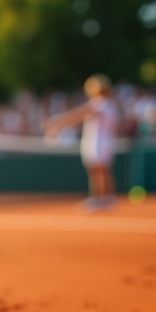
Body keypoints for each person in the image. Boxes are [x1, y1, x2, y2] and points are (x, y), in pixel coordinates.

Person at [45, 74, 119, 212]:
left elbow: (80, 114)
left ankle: (102, 199)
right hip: (100, 141)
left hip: (99, 142)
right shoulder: (109, 104)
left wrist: (57, 123)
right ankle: (102, 198)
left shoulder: (100, 103)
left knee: (100, 170)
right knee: (98, 170)